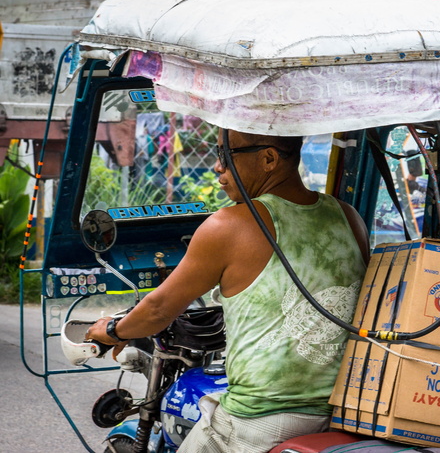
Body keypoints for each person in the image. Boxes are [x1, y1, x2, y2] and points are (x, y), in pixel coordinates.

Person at [86, 129, 370, 452]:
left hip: (259, 422)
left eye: (225, 155)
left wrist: (112, 330)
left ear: (269, 159)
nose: (217, 167)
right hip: (343, 417)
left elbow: (158, 310)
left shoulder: (229, 226)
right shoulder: (349, 218)